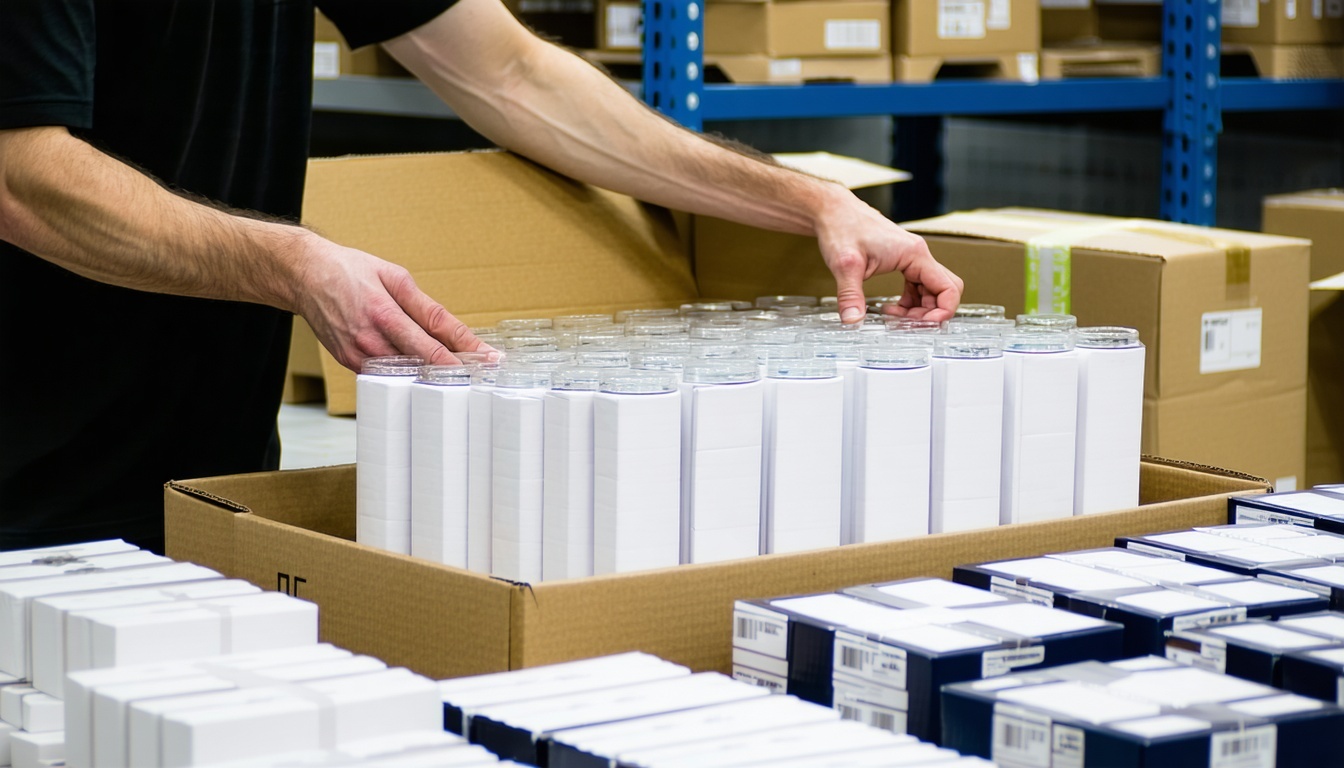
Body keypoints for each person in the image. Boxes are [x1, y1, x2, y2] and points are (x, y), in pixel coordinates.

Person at [0, 0, 963, 553]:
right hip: (29, 484)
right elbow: (23, 174)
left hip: (206, 476)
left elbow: (512, 73)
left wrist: (809, 201)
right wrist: (293, 262)